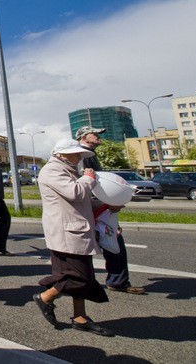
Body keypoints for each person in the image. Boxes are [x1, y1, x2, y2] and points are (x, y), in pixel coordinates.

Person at [34, 138, 113, 337]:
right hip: (66, 233)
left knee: (80, 275)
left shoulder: (68, 170)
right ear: (61, 154)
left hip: (75, 230)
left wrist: (104, 206)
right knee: (79, 278)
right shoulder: (52, 170)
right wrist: (88, 178)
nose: (79, 157)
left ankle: (80, 317)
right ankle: (45, 297)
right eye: (75, 153)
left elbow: (80, 202)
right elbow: (75, 192)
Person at [75, 126, 145, 294]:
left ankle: (111, 281)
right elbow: (88, 184)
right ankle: (81, 283)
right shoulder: (82, 156)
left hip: (97, 206)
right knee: (101, 243)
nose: (99, 136)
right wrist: (107, 203)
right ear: (84, 137)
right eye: (95, 134)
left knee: (107, 242)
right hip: (94, 208)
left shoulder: (88, 154)